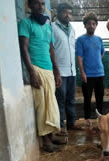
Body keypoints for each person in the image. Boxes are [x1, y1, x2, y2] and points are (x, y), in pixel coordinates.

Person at [18, 0, 62, 152]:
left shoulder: (48, 25)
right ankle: (46, 141)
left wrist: (56, 71)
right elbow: (24, 48)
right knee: (42, 105)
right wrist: (31, 71)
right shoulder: (25, 24)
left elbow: (51, 50)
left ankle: (50, 135)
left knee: (51, 104)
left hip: (48, 69)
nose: (41, 7)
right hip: (36, 68)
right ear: (29, 6)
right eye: (37, 3)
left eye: (43, 4)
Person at [52, 3, 79, 136]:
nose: (67, 15)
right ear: (58, 13)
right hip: (60, 72)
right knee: (60, 100)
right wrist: (55, 71)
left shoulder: (72, 29)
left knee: (71, 99)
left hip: (72, 71)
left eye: (69, 13)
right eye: (64, 12)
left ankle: (71, 123)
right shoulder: (52, 27)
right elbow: (50, 49)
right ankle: (61, 126)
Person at [76, 12, 105, 126]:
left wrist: (96, 61)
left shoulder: (99, 39)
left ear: (96, 25)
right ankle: (87, 118)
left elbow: (101, 53)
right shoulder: (80, 40)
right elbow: (79, 57)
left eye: (93, 24)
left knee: (100, 96)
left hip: (100, 73)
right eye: (89, 24)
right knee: (87, 98)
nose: (91, 26)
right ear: (85, 25)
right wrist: (82, 72)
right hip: (87, 74)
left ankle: (100, 118)